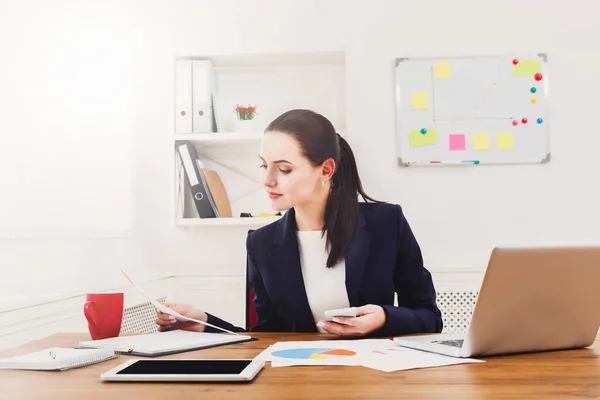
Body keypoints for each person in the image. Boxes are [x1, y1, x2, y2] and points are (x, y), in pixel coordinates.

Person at [156, 109, 443, 337]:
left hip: (375, 379)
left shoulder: (386, 223)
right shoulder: (261, 243)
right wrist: (203, 322)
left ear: (326, 170)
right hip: (300, 382)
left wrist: (384, 318)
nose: (267, 180)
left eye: (283, 169)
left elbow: (429, 317)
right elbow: (265, 338)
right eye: (263, 165)